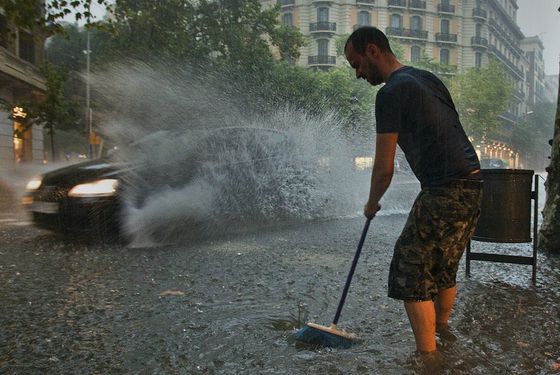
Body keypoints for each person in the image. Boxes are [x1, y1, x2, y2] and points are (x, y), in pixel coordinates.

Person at [344, 27, 482, 355]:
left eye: (356, 64)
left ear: (373, 50)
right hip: (474, 183)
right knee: (443, 264)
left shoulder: (390, 94)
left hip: (444, 188)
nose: (357, 74)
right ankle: (444, 333)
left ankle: (428, 359)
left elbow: (383, 167)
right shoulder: (426, 77)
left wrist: (371, 203)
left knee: (410, 269)